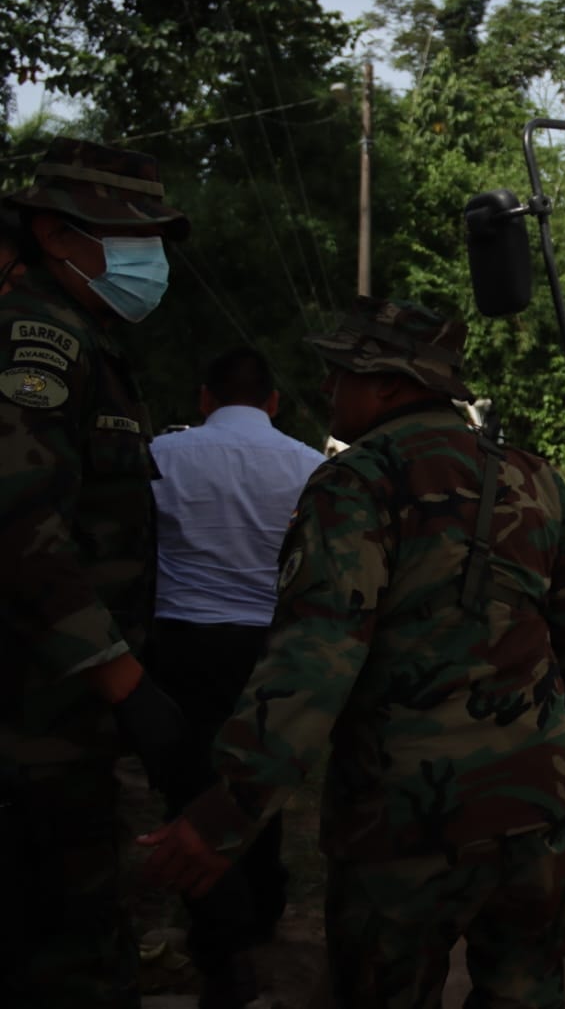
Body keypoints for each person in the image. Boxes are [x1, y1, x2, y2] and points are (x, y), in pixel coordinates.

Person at [140, 296, 565, 1008]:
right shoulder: (532, 475)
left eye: (340, 374)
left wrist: (227, 813)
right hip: (535, 806)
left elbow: (314, 662)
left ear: (389, 384)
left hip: (405, 825)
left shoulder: (355, 484)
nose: (327, 389)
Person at [0, 138, 195, 1008]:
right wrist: (125, 683)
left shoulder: (90, 341)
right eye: (125, 235)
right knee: (64, 945)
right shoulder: (35, 340)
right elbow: (18, 522)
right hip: (33, 712)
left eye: (151, 236)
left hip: (64, 709)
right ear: (53, 231)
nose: (144, 256)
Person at [143, 345, 325, 1005]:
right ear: (273, 401)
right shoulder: (308, 466)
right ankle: (264, 901)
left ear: (203, 398)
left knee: (191, 778)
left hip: (183, 641)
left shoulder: (163, 457)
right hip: (269, 643)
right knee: (259, 770)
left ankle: (221, 938)